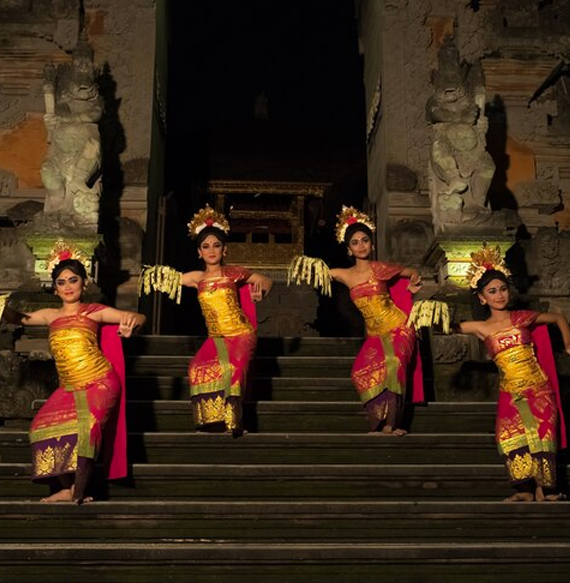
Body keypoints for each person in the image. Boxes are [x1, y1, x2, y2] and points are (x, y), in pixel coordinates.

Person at [2, 244, 146, 504]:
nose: (68, 286)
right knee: (38, 428)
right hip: (69, 386)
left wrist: (130, 327)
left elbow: (137, 316)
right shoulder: (49, 315)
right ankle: (67, 488)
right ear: (54, 287)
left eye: (73, 280)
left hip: (99, 381)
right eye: (61, 282)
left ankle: (79, 491)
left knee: (86, 430)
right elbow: (17, 318)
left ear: (84, 282)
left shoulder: (94, 311)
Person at [288, 206, 424, 435]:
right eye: (355, 242)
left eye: (364, 240)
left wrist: (409, 288)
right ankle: (379, 422)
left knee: (393, 364)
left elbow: (412, 271)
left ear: (371, 244)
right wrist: (304, 264)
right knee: (359, 372)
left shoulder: (380, 268)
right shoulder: (345, 274)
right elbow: (318, 273)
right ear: (349, 249)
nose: (361, 245)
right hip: (375, 335)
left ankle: (392, 424)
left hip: (398, 327)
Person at [139, 205, 272, 436]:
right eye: (206, 246)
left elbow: (267, 281)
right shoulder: (197, 278)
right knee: (196, 368)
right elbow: (170, 280)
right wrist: (150, 275)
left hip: (240, 333)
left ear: (224, 249)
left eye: (216, 245)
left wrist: (260, 292)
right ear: (199, 252)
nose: (211, 251)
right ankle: (212, 422)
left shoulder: (233, 273)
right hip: (216, 337)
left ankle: (234, 423)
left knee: (232, 369)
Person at [458, 245, 569, 502]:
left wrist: (567, 343)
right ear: (482, 298)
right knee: (509, 438)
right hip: (511, 392)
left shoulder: (523, 317)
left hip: (539, 387)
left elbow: (558, 318)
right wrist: (422, 309)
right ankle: (525, 491)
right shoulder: (482, 327)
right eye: (492, 291)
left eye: (503, 289)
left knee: (544, 437)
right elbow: (447, 327)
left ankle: (546, 489)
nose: (499, 295)